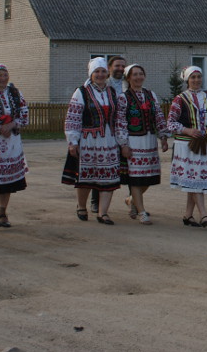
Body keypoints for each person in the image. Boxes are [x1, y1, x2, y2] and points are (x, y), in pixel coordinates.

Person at [62, 57, 129, 225]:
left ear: (107, 73)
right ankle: (82, 206)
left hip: (109, 141)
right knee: (86, 176)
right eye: (96, 72)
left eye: (103, 71)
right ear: (91, 74)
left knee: (110, 177)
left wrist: (122, 141)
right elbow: (73, 118)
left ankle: (103, 212)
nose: (100, 75)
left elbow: (120, 118)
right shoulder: (82, 92)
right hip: (88, 140)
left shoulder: (113, 92)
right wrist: (73, 141)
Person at [168, 66, 207, 228]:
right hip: (186, 146)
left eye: (199, 77)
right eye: (193, 77)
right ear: (187, 80)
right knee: (194, 180)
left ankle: (188, 215)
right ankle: (203, 214)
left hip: (204, 145)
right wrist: (187, 130)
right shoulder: (180, 99)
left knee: (195, 180)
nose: (197, 80)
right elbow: (170, 123)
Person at [120, 64, 169, 225]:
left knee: (148, 177)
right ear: (128, 78)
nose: (138, 77)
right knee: (136, 178)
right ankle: (142, 212)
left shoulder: (150, 95)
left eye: (141, 74)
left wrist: (163, 136)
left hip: (149, 140)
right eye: (135, 74)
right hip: (133, 141)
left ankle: (131, 200)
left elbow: (159, 116)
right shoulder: (123, 97)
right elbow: (120, 122)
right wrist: (123, 144)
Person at [0, 64, 29, 229]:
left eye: (5, 75)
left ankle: (3, 212)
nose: (2, 78)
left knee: (9, 181)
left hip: (12, 142)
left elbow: (24, 114)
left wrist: (12, 125)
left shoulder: (15, 93)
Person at [91, 55, 127, 214]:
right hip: (106, 131)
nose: (120, 69)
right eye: (117, 66)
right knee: (101, 167)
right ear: (110, 68)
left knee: (129, 169)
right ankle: (95, 201)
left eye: (122, 66)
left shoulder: (128, 83)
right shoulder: (105, 84)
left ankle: (134, 201)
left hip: (127, 130)